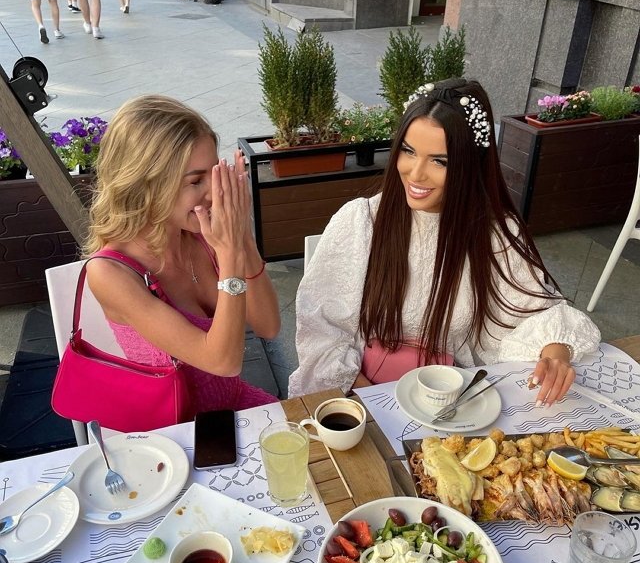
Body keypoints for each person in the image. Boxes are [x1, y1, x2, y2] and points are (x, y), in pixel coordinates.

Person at [289, 78, 600, 407]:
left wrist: (555, 352)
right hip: (361, 396)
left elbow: (533, 312)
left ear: (470, 165)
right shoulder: (361, 222)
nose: (416, 173)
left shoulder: (492, 233)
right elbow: (321, 330)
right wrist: (375, 402)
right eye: (408, 151)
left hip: (453, 398)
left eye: (440, 161)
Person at [84, 95, 280, 415]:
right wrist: (230, 251)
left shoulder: (201, 238)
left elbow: (268, 326)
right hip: (174, 430)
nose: (213, 192)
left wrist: (242, 235)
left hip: (232, 409)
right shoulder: (111, 273)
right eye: (196, 181)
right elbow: (223, 362)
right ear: (145, 185)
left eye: (214, 174)